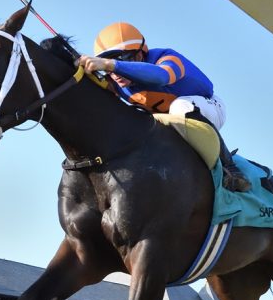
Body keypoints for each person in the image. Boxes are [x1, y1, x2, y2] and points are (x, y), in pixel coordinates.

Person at [78, 22, 251, 192]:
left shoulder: (167, 57)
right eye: (108, 65)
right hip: (169, 125)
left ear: (140, 54)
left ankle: (231, 169)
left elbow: (162, 76)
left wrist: (109, 64)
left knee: (179, 107)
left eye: (122, 58)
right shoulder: (116, 82)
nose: (115, 74)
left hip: (208, 107)